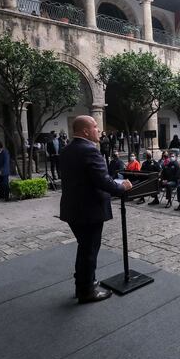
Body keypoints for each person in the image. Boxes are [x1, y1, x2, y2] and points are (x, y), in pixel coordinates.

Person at [59, 115, 132, 303]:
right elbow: (102, 180)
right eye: (95, 126)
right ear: (85, 130)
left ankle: (85, 283)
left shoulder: (67, 150)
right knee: (89, 250)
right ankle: (86, 291)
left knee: (84, 248)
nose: (98, 129)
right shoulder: (90, 151)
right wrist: (121, 187)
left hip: (73, 209)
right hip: (88, 210)